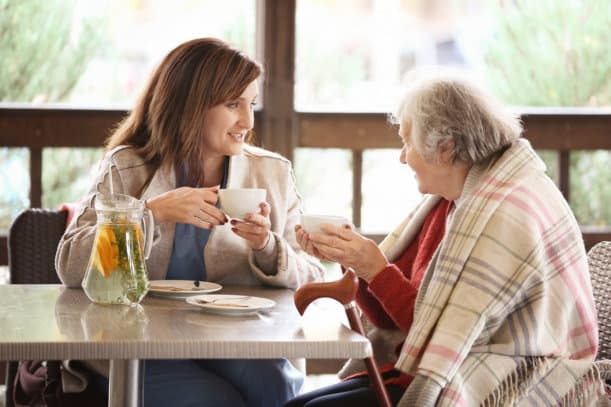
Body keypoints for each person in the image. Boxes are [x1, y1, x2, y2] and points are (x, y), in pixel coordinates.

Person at [288, 68, 602, 406]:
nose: (403, 156)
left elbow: (440, 338)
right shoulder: (450, 203)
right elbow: (392, 322)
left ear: (446, 148)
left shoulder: (504, 215)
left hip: (494, 377)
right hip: (431, 366)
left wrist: (376, 269)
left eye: (408, 142)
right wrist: (354, 261)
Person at [55, 37, 324, 407]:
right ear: (191, 106)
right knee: (213, 400)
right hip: (140, 344)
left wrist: (267, 247)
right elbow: (69, 265)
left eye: (252, 105)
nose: (247, 121)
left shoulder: (271, 174)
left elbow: (311, 276)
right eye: (233, 104)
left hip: (234, 339)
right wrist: (150, 214)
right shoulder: (128, 168)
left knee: (275, 387)